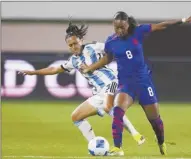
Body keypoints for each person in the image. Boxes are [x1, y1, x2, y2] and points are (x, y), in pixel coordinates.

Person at [81, 11, 191, 156]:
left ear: (128, 24)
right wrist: (90, 67)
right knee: (117, 111)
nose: (119, 30)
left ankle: (161, 141)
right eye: (116, 27)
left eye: (122, 27)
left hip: (144, 83)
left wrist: (184, 19)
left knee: (155, 122)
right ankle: (118, 147)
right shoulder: (111, 42)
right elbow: (107, 58)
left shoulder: (138, 32)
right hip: (126, 85)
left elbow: (162, 26)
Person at [18, 21, 146, 147]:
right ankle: (95, 145)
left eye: (75, 43)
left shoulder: (93, 47)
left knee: (108, 107)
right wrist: (33, 72)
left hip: (111, 82)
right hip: (98, 92)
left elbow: (112, 48)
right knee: (76, 117)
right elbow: (54, 69)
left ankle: (136, 135)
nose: (74, 46)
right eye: (70, 45)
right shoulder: (73, 61)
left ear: (81, 40)